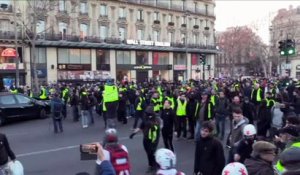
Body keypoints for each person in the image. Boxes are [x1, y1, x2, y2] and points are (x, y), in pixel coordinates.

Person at [130, 105, 161, 173]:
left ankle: (155, 166)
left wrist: (150, 123)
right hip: (146, 138)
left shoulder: (156, 119)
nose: (147, 114)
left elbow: (156, 128)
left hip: (154, 139)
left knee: (152, 153)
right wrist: (133, 133)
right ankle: (150, 165)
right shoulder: (145, 118)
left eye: (148, 113)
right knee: (148, 153)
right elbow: (140, 127)